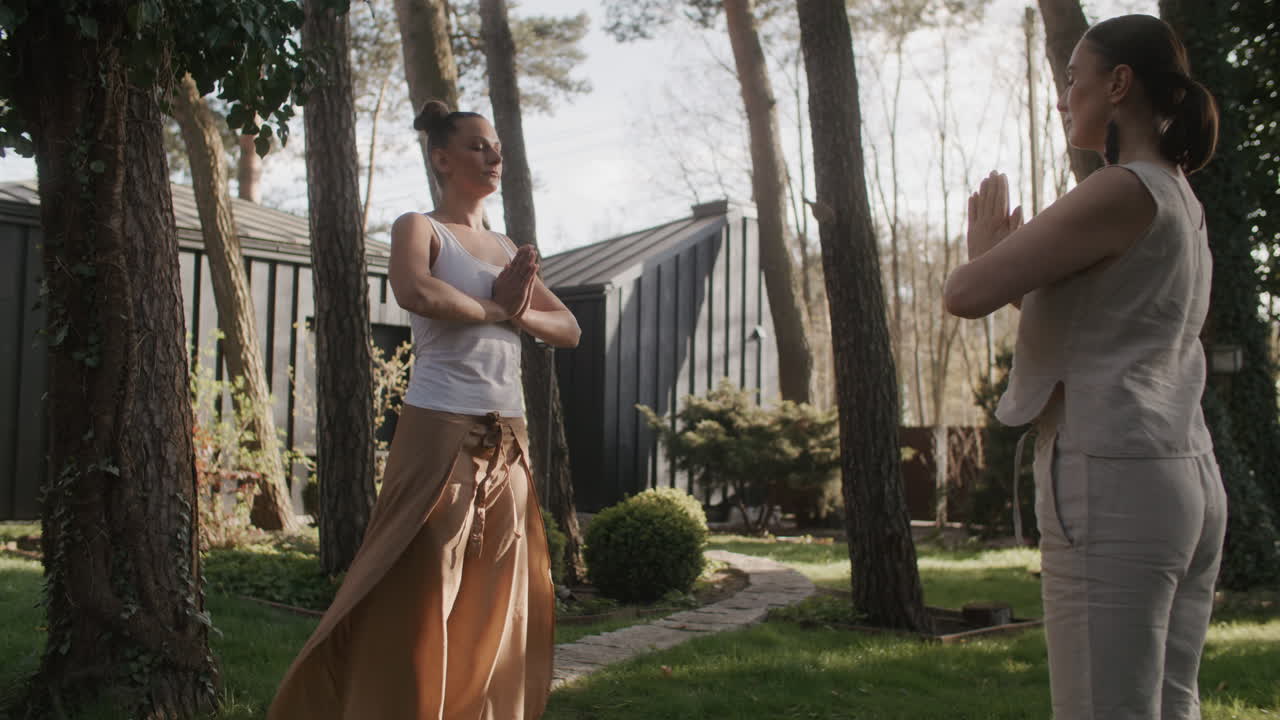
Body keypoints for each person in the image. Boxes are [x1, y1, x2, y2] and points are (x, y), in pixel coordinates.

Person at [943, 14, 1226, 720]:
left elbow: (963, 294)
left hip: (1113, 479)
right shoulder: (1178, 197)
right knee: (1166, 704)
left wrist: (982, 252)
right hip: (1182, 475)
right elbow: (1086, 329)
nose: (1064, 96)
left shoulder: (1118, 188)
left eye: (1074, 79)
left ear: (1120, 84)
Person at [268, 100, 580, 720]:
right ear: (441, 158)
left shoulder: (504, 244)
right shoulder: (420, 226)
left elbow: (566, 327)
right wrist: (499, 308)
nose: (494, 156)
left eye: (496, 147)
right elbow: (415, 290)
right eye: (477, 146)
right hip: (440, 424)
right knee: (422, 582)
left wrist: (515, 308)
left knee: (497, 587)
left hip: (508, 435)